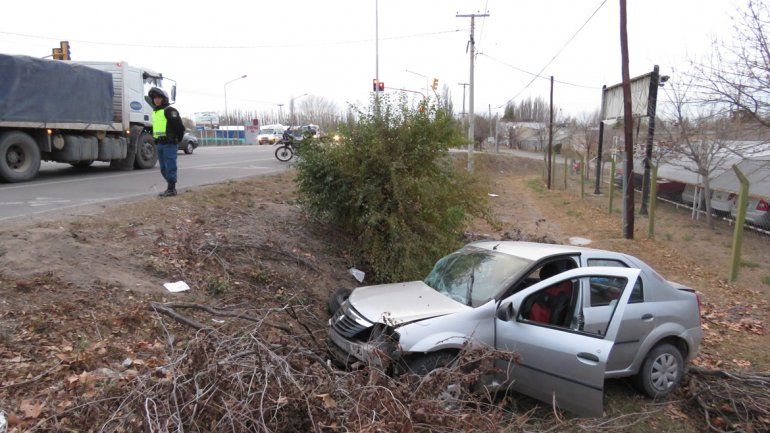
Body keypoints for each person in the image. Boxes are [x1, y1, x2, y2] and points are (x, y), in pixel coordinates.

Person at [148, 87, 185, 197]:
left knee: (170, 167)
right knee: (163, 168)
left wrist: (177, 140)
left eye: (159, 98)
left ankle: (171, 189)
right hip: (160, 144)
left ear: (164, 99)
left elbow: (180, 127)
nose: (156, 100)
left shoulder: (169, 110)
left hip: (169, 144)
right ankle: (170, 187)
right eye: (154, 98)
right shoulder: (155, 112)